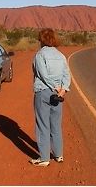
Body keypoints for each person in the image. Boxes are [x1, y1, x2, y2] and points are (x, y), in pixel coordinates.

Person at [30, 28, 71, 167]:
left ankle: (44, 158)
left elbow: (43, 74)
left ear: (41, 39)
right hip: (57, 95)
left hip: (43, 92)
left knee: (42, 125)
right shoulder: (60, 55)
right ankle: (58, 155)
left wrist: (55, 87)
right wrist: (63, 89)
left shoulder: (40, 55)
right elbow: (67, 74)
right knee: (56, 125)